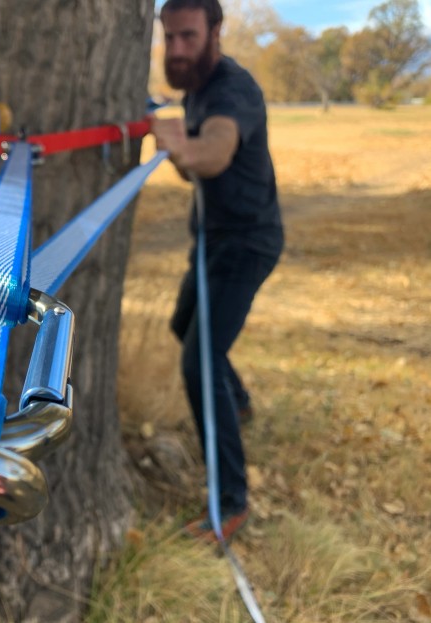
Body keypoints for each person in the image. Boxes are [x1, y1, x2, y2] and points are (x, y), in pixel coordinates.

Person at [150, 0, 284, 543]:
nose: (177, 49)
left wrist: (183, 146)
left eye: (187, 36)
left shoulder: (232, 89)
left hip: (248, 244)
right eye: (169, 37)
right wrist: (182, 152)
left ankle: (231, 502)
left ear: (215, 32)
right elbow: (196, 168)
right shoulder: (196, 89)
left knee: (199, 362)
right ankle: (242, 403)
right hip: (212, 240)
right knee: (186, 327)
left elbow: (215, 152)